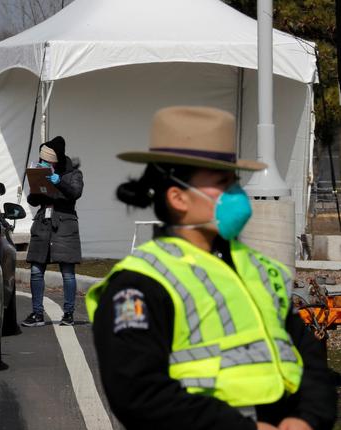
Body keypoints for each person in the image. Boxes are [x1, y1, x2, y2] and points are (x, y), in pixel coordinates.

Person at [86, 106, 337, 430]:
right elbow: (138, 393)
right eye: (223, 184)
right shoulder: (141, 283)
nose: (237, 195)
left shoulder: (257, 269)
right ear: (178, 198)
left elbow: (308, 356)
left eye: (235, 182)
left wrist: (307, 418)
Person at [22, 136, 84, 327]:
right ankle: (37, 313)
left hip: (64, 224)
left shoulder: (73, 174)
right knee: (35, 270)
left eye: (46, 161)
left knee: (67, 272)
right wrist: (36, 185)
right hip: (43, 223)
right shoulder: (41, 171)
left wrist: (58, 182)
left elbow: (75, 193)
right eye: (41, 161)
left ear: (55, 161)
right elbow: (33, 201)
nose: (43, 163)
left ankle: (68, 314)